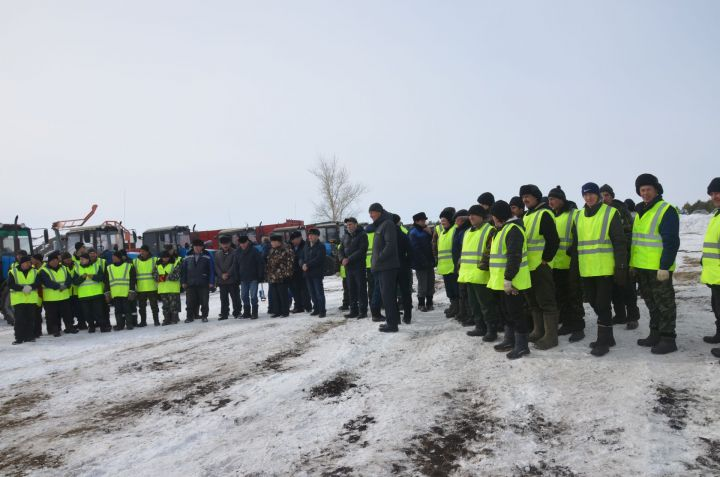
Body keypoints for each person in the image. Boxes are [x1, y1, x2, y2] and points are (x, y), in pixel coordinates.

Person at [572, 183, 628, 356]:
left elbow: (619, 242)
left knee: (603, 305)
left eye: (592, 194)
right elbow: (576, 244)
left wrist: (620, 266)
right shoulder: (578, 215)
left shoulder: (610, 213)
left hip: (604, 268)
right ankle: (608, 336)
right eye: (585, 195)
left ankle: (603, 341)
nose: (588, 198)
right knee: (592, 301)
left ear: (598, 195)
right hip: (586, 268)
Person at [631, 173, 680, 354]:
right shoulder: (640, 212)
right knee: (651, 302)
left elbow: (671, 241)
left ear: (656, 189)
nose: (645, 193)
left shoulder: (666, 210)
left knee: (665, 303)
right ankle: (655, 333)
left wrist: (665, 266)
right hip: (643, 267)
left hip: (659, 269)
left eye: (648, 189)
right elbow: (636, 242)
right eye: (642, 190)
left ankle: (668, 339)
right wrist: (632, 264)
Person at [488, 201, 532, 359]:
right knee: (506, 312)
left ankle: (522, 346)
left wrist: (508, 279)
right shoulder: (500, 230)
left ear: (498, 216)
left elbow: (514, 257)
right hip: (501, 282)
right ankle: (509, 339)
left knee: (516, 313)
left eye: (493, 216)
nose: (492, 219)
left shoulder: (513, 230)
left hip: (513, 281)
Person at [520, 184, 560, 350]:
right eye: (523, 197)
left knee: (546, 301)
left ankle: (551, 337)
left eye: (528, 196)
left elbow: (553, 240)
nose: (525, 199)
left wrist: (546, 259)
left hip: (540, 266)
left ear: (536, 197)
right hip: (528, 267)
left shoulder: (544, 214)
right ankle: (538, 331)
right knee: (534, 302)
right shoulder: (527, 215)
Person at [548, 186, 586, 342]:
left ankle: (578, 327)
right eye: (549, 199)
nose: (550, 202)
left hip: (571, 263)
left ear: (561, 200)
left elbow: (581, 234)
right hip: (556, 264)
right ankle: (567, 323)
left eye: (553, 199)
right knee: (561, 296)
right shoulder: (551, 216)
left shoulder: (574, 214)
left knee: (574, 296)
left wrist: (573, 248)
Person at [600, 183, 640, 330]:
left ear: (612, 196)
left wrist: (623, 248)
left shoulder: (621, 210)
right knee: (614, 288)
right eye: (602, 196)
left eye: (607, 195)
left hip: (623, 254)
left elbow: (630, 233)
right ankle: (620, 315)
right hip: (607, 256)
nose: (604, 198)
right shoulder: (600, 212)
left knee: (627, 287)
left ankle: (633, 317)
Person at [459, 204, 500, 341]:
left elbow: (490, 251)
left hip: (482, 275)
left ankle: (491, 330)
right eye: (470, 214)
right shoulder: (467, 232)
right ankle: (480, 327)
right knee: (474, 304)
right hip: (469, 275)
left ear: (482, 216)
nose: (471, 217)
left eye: (474, 214)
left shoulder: (490, 230)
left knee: (486, 305)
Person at [368, 203, 400, 333]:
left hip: (387, 267)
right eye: (369, 213)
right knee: (387, 296)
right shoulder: (380, 225)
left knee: (388, 296)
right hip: (382, 267)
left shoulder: (387, 224)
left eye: (372, 213)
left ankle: (392, 324)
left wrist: (379, 258)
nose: (371, 215)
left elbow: (390, 245)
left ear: (379, 212)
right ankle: (392, 320)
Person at [702, 178, 720, 360]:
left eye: (717, 192)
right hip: (715, 274)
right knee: (716, 307)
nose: (715, 196)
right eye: (712, 194)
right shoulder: (717, 216)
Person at [39, 251, 76, 337]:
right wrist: (59, 287)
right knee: (53, 316)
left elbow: (69, 279)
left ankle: (69, 327)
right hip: (51, 298)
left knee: (68, 314)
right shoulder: (43, 270)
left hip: (64, 296)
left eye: (56, 260)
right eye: (53, 260)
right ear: (49, 261)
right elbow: (47, 282)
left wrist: (66, 285)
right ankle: (55, 330)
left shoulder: (64, 268)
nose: (55, 262)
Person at [339, 217, 369, 319]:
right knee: (351, 289)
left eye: (350, 224)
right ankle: (353, 311)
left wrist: (349, 259)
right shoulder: (345, 236)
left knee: (361, 289)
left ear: (356, 224)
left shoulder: (362, 235)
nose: (348, 227)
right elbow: (340, 249)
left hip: (358, 266)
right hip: (348, 267)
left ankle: (363, 311)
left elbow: (362, 250)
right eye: (347, 225)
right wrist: (342, 258)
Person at [8, 256, 40, 344]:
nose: (29, 264)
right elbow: (10, 284)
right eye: (27, 263)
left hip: (31, 300)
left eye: (29, 262)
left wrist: (30, 287)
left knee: (31, 319)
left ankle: (29, 337)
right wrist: (22, 288)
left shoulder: (35, 271)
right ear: (22, 263)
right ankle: (19, 338)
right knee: (19, 320)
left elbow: (38, 282)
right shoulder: (13, 272)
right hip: (19, 300)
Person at [72, 253, 108, 333]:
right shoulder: (77, 268)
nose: (81, 261)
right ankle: (91, 326)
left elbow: (101, 278)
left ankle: (103, 326)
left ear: (88, 259)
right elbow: (75, 282)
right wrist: (82, 278)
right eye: (80, 259)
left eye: (82, 259)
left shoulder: (96, 266)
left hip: (96, 294)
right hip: (84, 295)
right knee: (87, 313)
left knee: (99, 312)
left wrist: (93, 277)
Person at [181, 239, 215, 323]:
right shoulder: (187, 255)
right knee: (189, 301)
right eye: (195, 246)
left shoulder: (207, 255)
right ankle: (189, 317)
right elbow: (184, 270)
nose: (197, 248)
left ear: (202, 247)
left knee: (204, 301)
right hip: (190, 283)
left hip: (203, 282)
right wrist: (183, 282)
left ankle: (204, 316)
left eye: (199, 246)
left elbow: (211, 270)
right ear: (193, 247)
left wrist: (211, 282)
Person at [408, 212, 435, 312]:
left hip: (429, 262)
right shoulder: (413, 232)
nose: (425, 222)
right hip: (420, 263)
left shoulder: (425, 231)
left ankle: (430, 302)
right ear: (416, 221)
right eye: (422, 220)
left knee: (430, 283)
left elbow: (432, 244)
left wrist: (430, 233)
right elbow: (416, 250)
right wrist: (424, 261)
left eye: (425, 220)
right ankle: (421, 304)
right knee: (423, 284)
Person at [105, 250, 137, 331]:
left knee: (127, 309)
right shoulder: (109, 268)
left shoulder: (128, 266)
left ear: (119, 258)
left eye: (114, 257)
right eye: (113, 257)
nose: (113, 258)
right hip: (115, 293)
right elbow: (107, 281)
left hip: (126, 293)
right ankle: (120, 325)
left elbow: (132, 279)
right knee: (118, 310)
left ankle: (129, 324)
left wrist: (132, 290)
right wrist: (107, 292)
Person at [436, 207, 459, 318]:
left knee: (456, 291)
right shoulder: (443, 232)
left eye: (444, 219)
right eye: (441, 220)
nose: (442, 221)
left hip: (453, 268)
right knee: (450, 291)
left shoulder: (455, 230)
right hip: (445, 268)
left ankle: (458, 308)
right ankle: (453, 306)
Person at [235, 235, 264, 319]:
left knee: (253, 296)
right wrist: (237, 276)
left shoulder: (254, 250)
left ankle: (254, 312)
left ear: (247, 242)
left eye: (244, 243)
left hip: (253, 277)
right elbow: (236, 265)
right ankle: (247, 312)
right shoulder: (237, 252)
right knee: (244, 296)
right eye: (241, 243)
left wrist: (260, 275)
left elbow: (260, 263)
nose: (243, 245)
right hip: (243, 278)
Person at [300, 229, 327, 317]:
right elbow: (301, 257)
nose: (310, 237)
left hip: (317, 273)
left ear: (317, 236)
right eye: (309, 235)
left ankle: (322, 310)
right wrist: (302, 264)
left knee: (319, 293)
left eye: (312, 235)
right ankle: (316, 309)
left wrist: (307, 264)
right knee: (312, 293)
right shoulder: (306, 246)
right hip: (307, 274)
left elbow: (318, 259)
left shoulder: (321, 246)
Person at [266, 235, 294, 317]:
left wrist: (287, 275)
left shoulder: (286, 249)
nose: (272, 243)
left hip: (282, 276)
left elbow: (290, 263)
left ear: (279, 242)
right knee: (275, 295)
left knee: (283, 295)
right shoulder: (272, 250)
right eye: (271, 242)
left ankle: (285, 312)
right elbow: (269, 263)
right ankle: (277, 311)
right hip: (273, 276)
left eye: (274, 242)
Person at [452, 209, 472, 325]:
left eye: (457, 219)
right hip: (461, 266)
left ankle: (469, 315)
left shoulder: (465, 231)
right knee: (462, 292)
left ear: (462, 219)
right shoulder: (459, 230)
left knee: (466, 293)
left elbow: (463, 249)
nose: (455, 221)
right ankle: (463, 312)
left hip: (465, 266)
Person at [215, 235, 241, 320]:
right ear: (220, 244)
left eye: (227, 243)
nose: (225, 245)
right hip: (222, 280)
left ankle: (237, 312)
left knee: (235, 297)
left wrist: (228, 274)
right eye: (223, 244)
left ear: (230, 243)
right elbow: (216, 266)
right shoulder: (217, 253)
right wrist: (221, 275)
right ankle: (224, 313)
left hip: (232, 279)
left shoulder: (235, 252)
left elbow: (235, 265)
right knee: (223, 299)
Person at [133, 245, 160, 327]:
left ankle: (156, 321)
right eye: (141, 251)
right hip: (141, 288)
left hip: (152, 287)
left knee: (154, 306)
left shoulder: (155, 260)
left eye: (144, 251)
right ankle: (143, 322)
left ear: (148, 251)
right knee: (141, 307)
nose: (142, 252)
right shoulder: (135, 261)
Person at [394, 214, 413, 324]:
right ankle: (407, 316)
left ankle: (395, 316)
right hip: (403, 267)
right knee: (406, 292)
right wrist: (407, 263)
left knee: (392, 293)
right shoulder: (403, 234)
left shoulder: (388, 235)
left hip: (391, 268)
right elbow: (410, 251)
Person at [154, 251, 181, 325]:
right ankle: (166, 319)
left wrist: (163, 277)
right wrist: (166, 277)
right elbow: (155, 277)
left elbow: (177, 276)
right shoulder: (157, 265)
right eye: (164, 257)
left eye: (167, 257)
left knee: (173, 305)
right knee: (165, 306)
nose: (165, 259)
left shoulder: (175, 264)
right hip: (163, 290)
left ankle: (174, 319)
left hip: (173, 289)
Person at [289, 231, 312, 313]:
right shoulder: (291, 246)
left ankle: (307, 306)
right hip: (293, 272)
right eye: (292, 240)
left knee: (304, 290)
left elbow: (304, 257)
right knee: (295, 291)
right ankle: (298, 307)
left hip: (302, 271)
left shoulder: (305, 245)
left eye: (294, 240)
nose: (292, 242)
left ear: (299, 238)